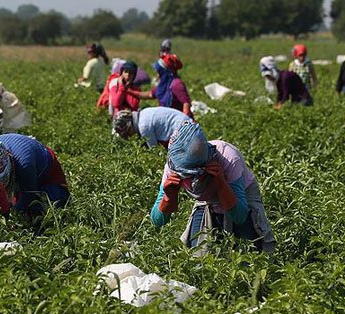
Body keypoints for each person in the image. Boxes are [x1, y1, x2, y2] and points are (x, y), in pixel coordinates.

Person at [149, 122, 276, 253]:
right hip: (206, 202)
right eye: (188, 174)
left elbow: (240, 215)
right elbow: (157, 221)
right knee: (199, 256)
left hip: (242, 198)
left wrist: (221, 182)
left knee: (249, 254)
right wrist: (169, 196)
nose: (193, 179)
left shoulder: (228, 157)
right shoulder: (174, 166)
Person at [0, 134, 69, 219]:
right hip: (21, 157)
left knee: (42, 206)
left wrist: (13, 217)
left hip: (45, 167)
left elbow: (28, 195)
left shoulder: (24, 163)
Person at [129, 54, 193, 119]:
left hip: (178, 122)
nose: (157, 74)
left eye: (159, 72)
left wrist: (183, 124)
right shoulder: (164, 85)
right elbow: (148, 94)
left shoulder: (176, 84)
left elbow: (186, 105)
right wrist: (128, 91)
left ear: (165, 72)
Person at [112, 106, 193, 148]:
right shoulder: (144, 113)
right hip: (188, 124)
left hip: (184, 131)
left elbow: (154, 150)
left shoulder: (143, 127)